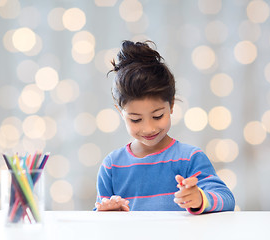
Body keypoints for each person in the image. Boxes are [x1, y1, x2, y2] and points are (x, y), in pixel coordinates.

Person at [94, 40, 235, 214]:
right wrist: (108, 213)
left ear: (172, 104)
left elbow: (226, 198)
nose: (149, 128)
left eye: (157, 116)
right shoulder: (112, 166)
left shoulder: (189, 158)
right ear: (120, 112)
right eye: (136, 119)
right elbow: (98, 217)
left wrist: (199, 198)